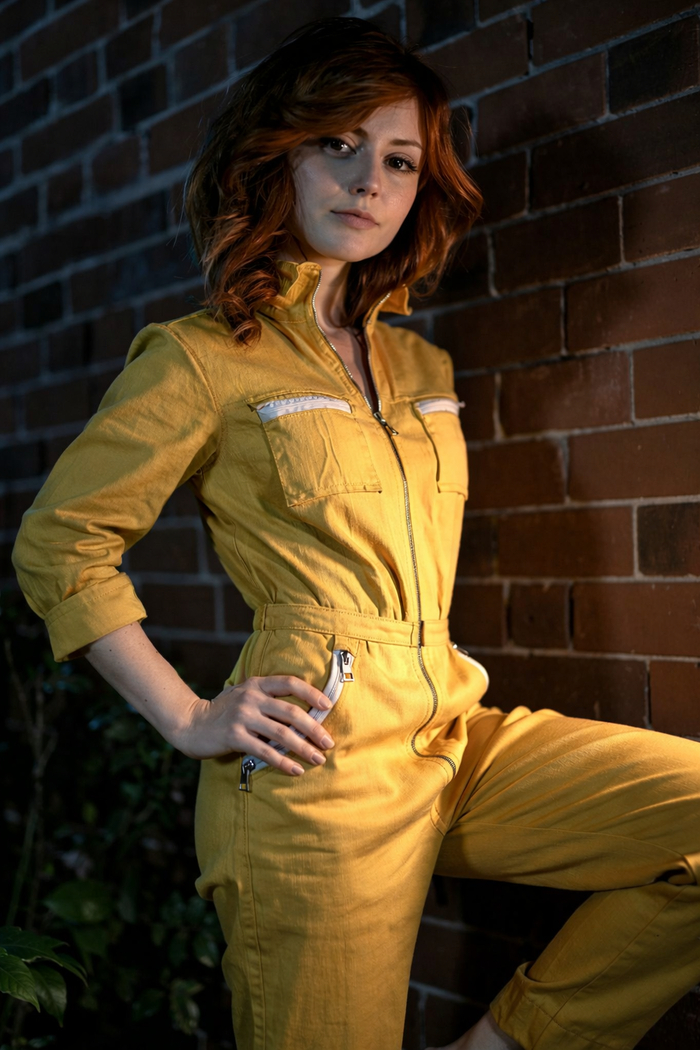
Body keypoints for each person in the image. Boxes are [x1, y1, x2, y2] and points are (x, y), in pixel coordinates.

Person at [11, 17, 700, 1050]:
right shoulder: (204, 358)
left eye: (399, 160)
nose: (368, 181)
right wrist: (187, 715)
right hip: (317, 768)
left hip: (452, 731)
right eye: (337, 144)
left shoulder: (423, 368)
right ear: (277, 156)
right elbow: (61, 541)